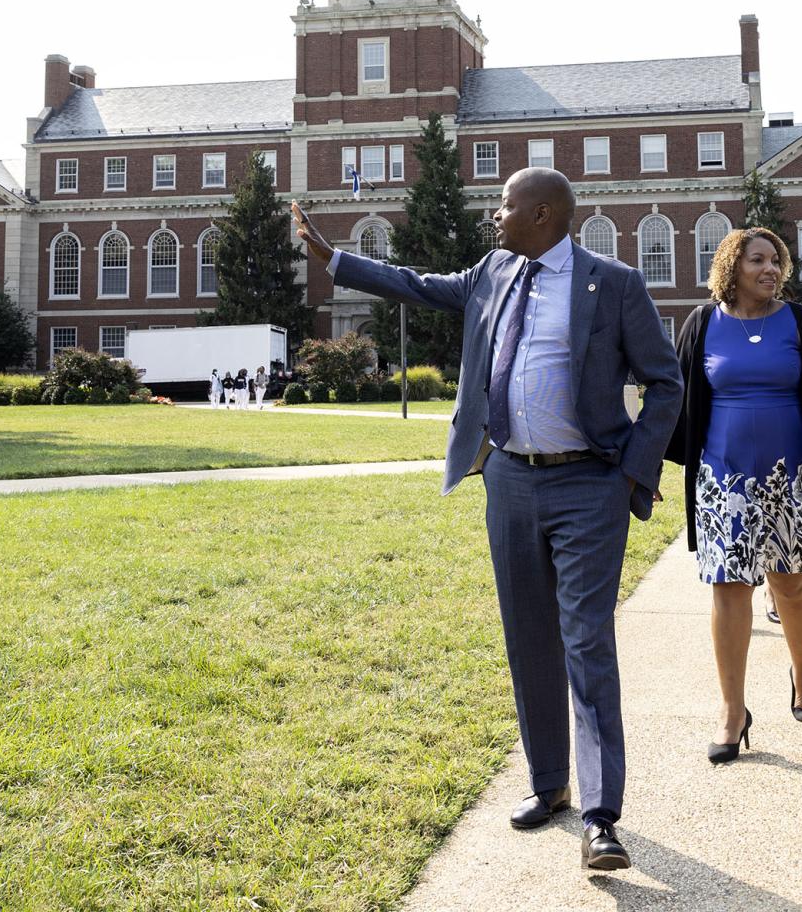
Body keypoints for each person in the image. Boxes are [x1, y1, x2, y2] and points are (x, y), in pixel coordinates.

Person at [291, 169, 681, 873]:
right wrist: (333, 259)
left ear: (540, 214)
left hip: (590, 483)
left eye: (502, 205)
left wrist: (632, 469)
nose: (492, 216)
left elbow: (665, 382)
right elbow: (415, 283)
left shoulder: (613, 283)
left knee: (586, 643)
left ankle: (601, 817)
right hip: (509, 480)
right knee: (528, 638)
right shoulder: (494, 271)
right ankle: (548, 786)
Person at [668, 228, 802, 763]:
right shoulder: (703, 324)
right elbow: (677, 403)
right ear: (732, 266)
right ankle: (732, 710)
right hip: (722, 479)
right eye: (758, 260)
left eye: (776, 260)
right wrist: (647, 470)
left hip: (789, 478)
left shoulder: (799, 322)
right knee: (729, 590)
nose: (770, 269)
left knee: (790, 586)